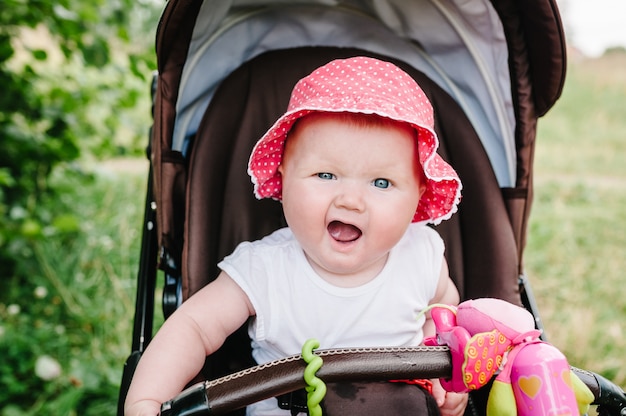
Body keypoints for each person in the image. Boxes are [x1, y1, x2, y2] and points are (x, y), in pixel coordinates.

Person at [125, 56, 466, 416]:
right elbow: (192, 327)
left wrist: (444, 370)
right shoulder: (264, 270)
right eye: (325, 175)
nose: (350, 200)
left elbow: (444, 308)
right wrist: (146, 400)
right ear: (284, 175)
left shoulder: (421, 254)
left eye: (381, 183)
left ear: (418, 194)